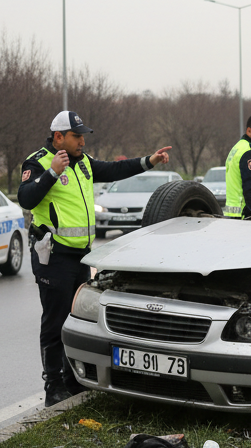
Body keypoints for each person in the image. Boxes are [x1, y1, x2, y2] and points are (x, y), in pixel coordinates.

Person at [18, 110, 172, 406]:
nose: (82, 142)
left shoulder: (83, 162)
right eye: (77, 136)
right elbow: (26, 198)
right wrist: (52, 172)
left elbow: (114, 170)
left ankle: (72, 380)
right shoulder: (38, 161)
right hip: (54, 256)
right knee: (55, 322)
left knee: (77, 319)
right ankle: (53, 386)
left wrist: (149, 161)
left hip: (81, 257)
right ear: (59, 137)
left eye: (83, 136)